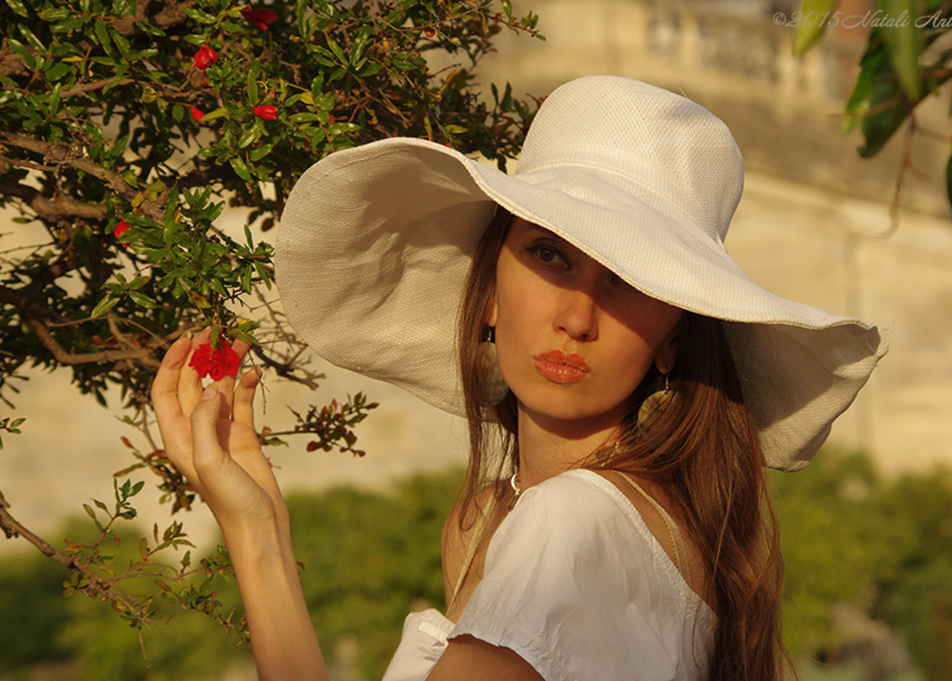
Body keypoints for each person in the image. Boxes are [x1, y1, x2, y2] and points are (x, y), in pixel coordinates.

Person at [152, 75, 887, 681]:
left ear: (672, 340)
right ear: (492, 290)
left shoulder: (569, 524)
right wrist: (260, 528)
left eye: (629, 281)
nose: (577, 316)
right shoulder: (545, 522)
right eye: (550, 254)